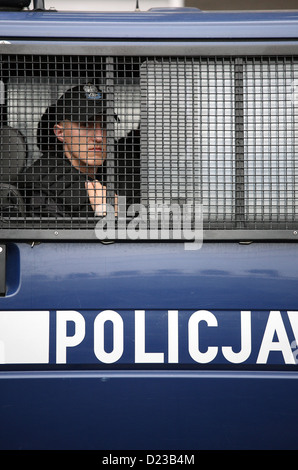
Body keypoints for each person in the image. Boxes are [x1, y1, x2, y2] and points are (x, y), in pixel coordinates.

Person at [20, 83, 140, 218]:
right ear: (60, 132)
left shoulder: (125, 176)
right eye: (85, 125)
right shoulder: (45, 189)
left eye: (106, 124)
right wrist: (109, 217)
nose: (99, 137)